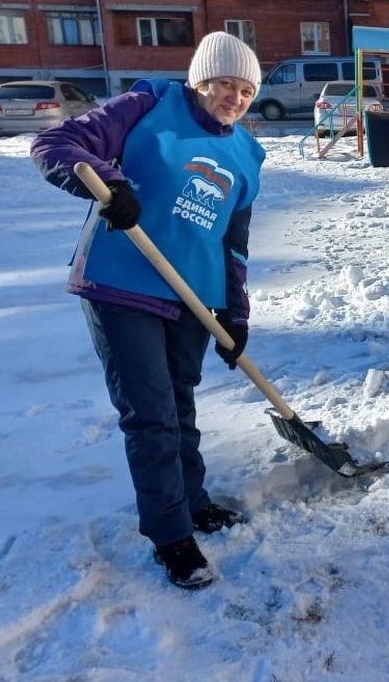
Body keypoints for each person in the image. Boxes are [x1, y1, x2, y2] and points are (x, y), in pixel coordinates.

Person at [31, 32, 266, 590]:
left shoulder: (248, 155)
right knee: (151, 413)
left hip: (193, 297)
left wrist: (235, 315)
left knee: (179, 404)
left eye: (246, 90)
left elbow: (233, 243)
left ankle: (194, 503)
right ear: (198, 81)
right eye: (224, 85)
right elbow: (56, 144)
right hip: (121, 284)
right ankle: (171, 535)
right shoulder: (148, 106)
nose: (234, 98)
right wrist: (109, 183)